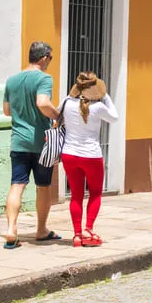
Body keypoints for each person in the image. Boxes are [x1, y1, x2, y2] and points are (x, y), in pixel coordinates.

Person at [2, 41, 60, 249]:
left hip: (18, 141)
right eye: (50, 58)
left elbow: (7, 111)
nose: (50, 62)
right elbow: (42, 102)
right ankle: (41, 230)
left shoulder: (12, 80)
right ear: (44, 58)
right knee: (43, 186)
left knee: (17, 185)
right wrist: (57, 116)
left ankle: (11, 230)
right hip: (40, 143)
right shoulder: (44, 78)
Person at [59, 72, 118, 248]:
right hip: (91, 156)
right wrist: (105, 96)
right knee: (95, 193)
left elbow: (56, 115)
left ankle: (77, 235)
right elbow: (114, 117)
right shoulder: (98, 107)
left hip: (69, 154)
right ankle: (88, 229)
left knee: (75, 195)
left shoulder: (67, 102)